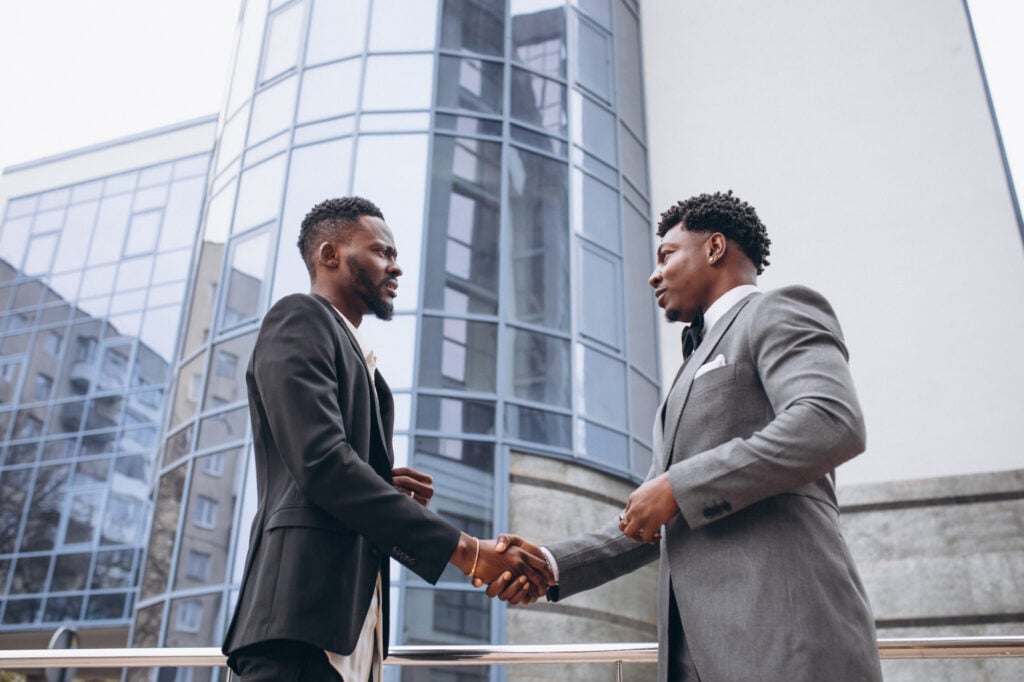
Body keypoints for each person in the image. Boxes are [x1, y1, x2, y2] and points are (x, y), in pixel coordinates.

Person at [491, 191, 882, 681]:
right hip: (695, 657)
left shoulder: (778, 310)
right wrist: (551, 563)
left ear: (715, 248)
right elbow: (649, 519)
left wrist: (679, 486)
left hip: (786, 642)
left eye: (667, 255)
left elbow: (830, 420)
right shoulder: (687, 369)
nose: (654, 275)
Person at [222, 197, 551, 681]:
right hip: (296, 629)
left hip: (351, 637)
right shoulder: (299, 317)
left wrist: (380, 486)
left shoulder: (370, 374)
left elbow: (334, 474)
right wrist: (469, 552)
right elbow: (321, 464)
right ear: (329, 255)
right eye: (381, 252)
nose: (395, 267)